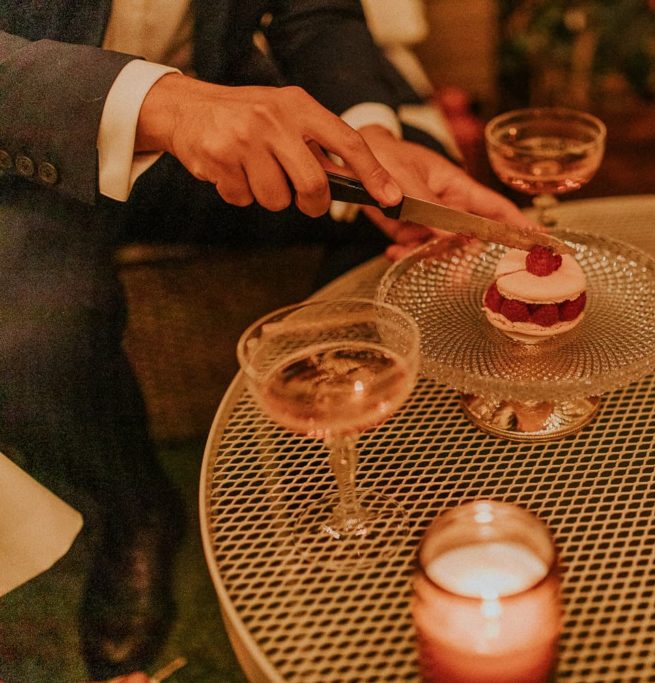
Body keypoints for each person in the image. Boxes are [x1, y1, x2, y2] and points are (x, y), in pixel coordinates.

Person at [0, 1, 530, 678]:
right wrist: (161, 102)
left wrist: (369, 147)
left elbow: (315, 11)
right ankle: (133, 510)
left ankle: (354, 483)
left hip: (223, 114)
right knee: (26, 334)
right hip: (25, 143)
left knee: (411, 215)